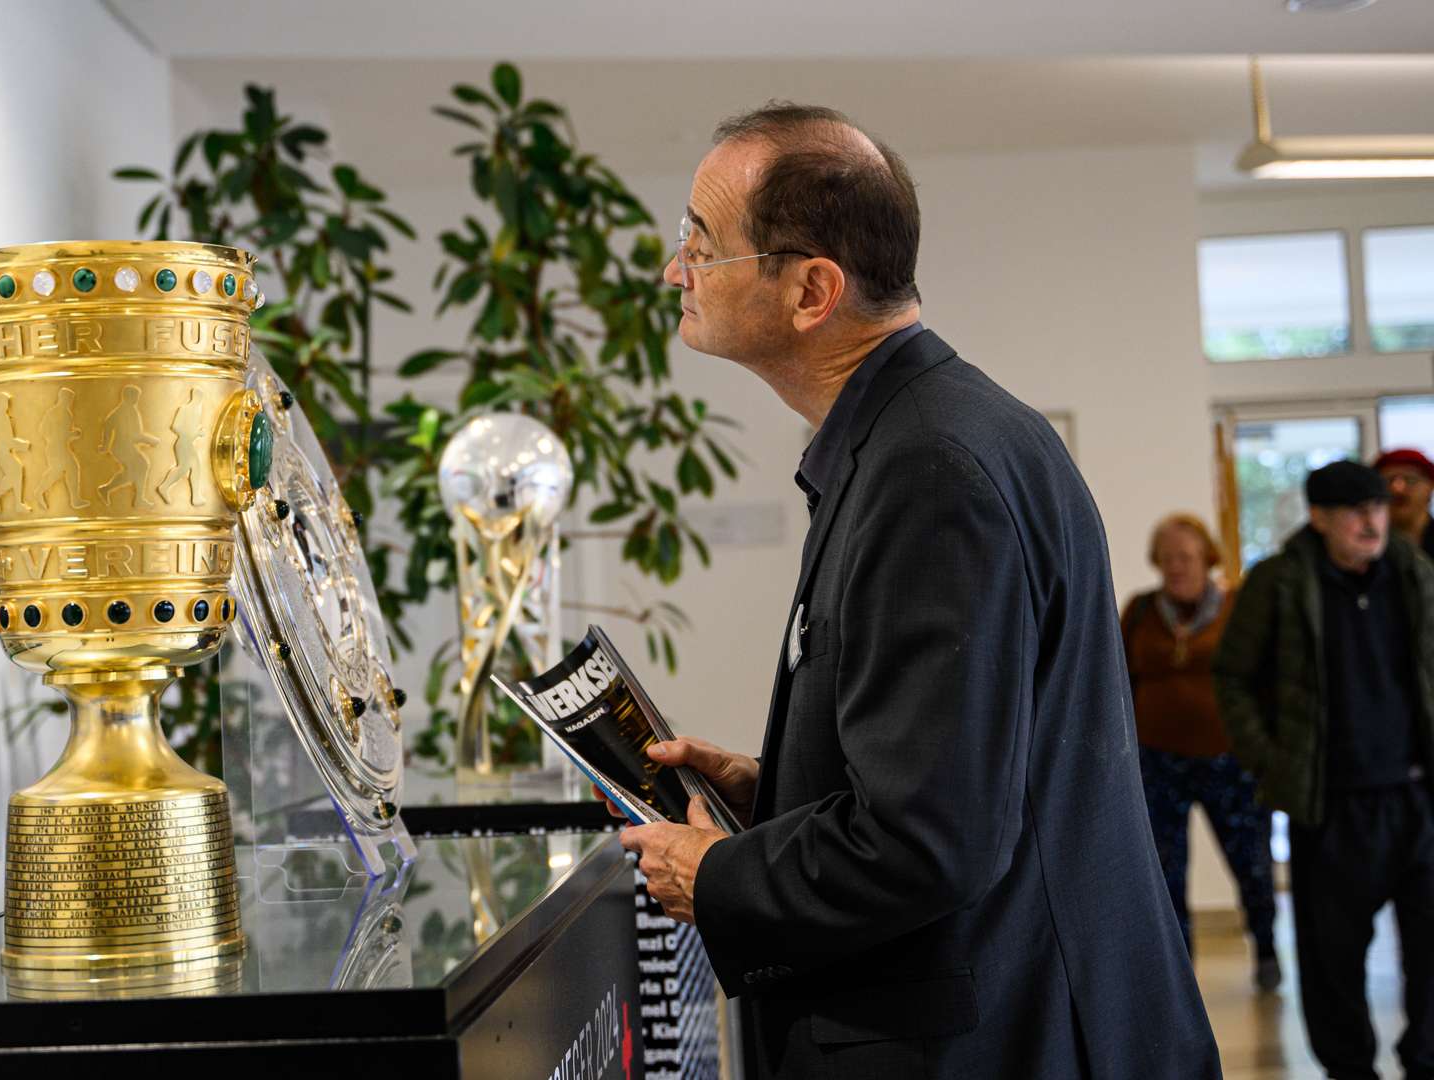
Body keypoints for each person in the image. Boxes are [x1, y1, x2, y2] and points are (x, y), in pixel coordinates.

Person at [612, 102, 1220, 1078]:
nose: (674, 270)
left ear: (811, 289)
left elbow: (930, 840)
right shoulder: (927, 434)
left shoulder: (931, 467)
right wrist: (777, 792)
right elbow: (968, 774)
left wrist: (720, 874)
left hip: (995, 1038)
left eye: (699, 242)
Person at [1214, 460, 1434, 1080]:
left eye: (1379, 510)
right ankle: (1350, 1071)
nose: (1372, 522)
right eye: (1356, 512)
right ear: (1319, 518)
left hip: (1416, 796)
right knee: (1334, 960)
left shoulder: (1413, 574)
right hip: (1331, 804)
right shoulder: (1279, 582)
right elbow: (1233, 678)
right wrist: (1271, 760)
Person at [1121, 513, 1278, 988]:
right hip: (1158, 761)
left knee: (1251, 862)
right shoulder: (1142, 611)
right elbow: (1122, 679)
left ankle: (1267, 946)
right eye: (1167, 558)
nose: (1176, 567)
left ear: (1206, 557)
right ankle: (1179, 966)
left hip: (1229, 759)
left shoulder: (1236, 606)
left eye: (1185, 557)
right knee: (1164, 871)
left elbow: (1263, 679)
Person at [1375, 447, 1434, 561]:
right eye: (1388, 480)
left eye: (1410, 480)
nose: (1397, 488)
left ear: (1430, 486)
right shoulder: (1365, 546)